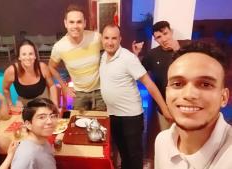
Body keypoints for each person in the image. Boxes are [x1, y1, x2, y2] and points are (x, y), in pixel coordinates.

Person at [99, 24, 171, 169]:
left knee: (134, 157)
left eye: (114, 38)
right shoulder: (103, 56)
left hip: (130, 117)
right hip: (113, 115)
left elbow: (150, 84)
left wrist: (165, 109)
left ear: (120, 39)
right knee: (124, 154)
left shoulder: (128, 58)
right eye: (106, 38)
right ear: (102, 39)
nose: (110, 42)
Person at [154, 41, 231, 169]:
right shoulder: (163, 141)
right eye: (178, 84)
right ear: (167, 92)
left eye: (205, 84)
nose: (189, 94)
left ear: (223, 97)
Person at [133, 21, 190, 130]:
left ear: (171, 32)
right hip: (164, 108)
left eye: (165, 33)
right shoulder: (152, 54)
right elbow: (139, 73)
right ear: (155, 40)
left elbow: (195, 68)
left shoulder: (187, 46)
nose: (163, 39)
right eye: (158, 37)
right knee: (167, 139)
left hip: (186, 105)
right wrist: (136, 55)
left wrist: (177, 50)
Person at [49, 4, 106, 111]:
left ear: (84, 23)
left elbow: (111, 50)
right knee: (79, 124)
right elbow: (51, 67)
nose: (75, 26)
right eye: (71, 22)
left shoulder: (96, 37)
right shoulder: (59, 47)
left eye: (79, 22)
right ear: (65, 23)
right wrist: (64, 87)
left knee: (101, 124)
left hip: (100, 91)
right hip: (79, 93)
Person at [3, 39, 58, 108]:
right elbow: (5, 89)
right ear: (19, 57)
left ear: (35, 56)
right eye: (24, 54)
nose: (28, 57)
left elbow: (52, 86)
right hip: (23, 102)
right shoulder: (11, 71)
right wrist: (10, 105)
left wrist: (54, 105)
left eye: (31, 54)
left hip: (42, 99)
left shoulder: (42, 67)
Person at [11, 98, 58, 169]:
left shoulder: (42, 140)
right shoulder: (27, 156)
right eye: (42, 117)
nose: (50, 121)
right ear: (28, 124)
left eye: (52, 116)